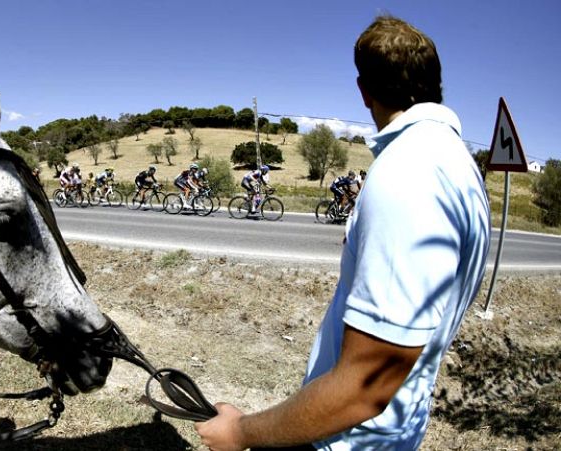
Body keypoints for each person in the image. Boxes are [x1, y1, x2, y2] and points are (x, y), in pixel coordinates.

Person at [195, 15, 490, 451]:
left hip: (347, 439)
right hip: (390, 430)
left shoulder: (410, 173)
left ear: (363, 89)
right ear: (435, 82)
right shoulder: (459, 167)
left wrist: (240, 433)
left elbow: (364, 386)